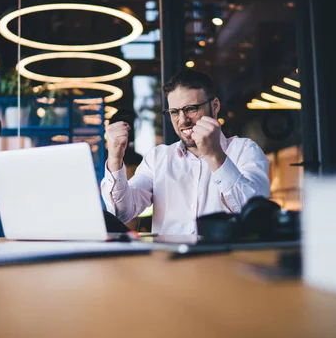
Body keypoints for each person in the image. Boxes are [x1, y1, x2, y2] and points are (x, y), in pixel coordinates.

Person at [101, 70, 270, 234]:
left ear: (215, 106)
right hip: (170, 261)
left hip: (225, 260)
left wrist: (215, 155)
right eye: (174, 112)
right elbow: (121, 213)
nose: (183, 120)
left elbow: (255, 216)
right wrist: (115, 157)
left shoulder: (245, 150)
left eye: (191, 108)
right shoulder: (157, 158)